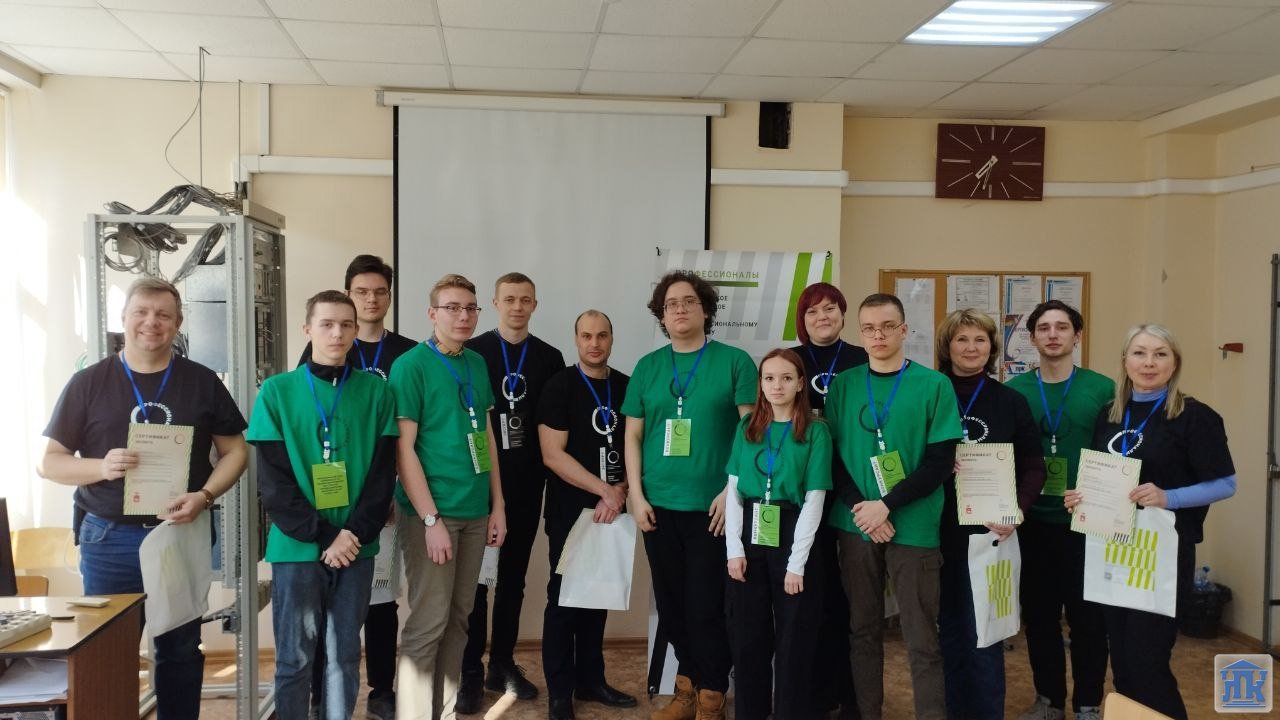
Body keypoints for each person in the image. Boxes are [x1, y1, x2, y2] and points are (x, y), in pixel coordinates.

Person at [38, 276, 249, 720]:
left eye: (163, 315)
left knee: (180, 650)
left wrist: (205, 495)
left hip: (179, 533)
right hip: (109, 538)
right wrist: (101, 467)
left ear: (178, 323)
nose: (152, 322)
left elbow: (236, 452)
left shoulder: (201, 381)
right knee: (107, 653)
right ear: (125, 318)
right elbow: (50, 463)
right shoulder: (89, 383)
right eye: (142, 312)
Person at [1065, 324, 1236, 720]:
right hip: (1113, 554)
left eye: (1160, 354)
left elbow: (1226, 484)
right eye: (1139, 353)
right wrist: (1082, 498)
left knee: (1148, 663)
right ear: (1125, 361)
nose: (1149, 363)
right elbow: (1105, 477)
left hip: (1161, 557)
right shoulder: (1111, 414)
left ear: (1175, 363)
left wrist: (1168, 497)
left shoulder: (1194, 416)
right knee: (1124, 665)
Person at [247, 290, 398, 720]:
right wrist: (328, 536)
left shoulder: (377, 392)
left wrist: (352, 535)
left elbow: (381, 476)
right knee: (294, 658)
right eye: (327, 324)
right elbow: (274, 484)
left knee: (344, 655)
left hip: (356, 549)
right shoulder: (276, 392)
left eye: (346, 325)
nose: (337, 333)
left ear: (356, 331)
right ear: (307, 329)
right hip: (297, 548)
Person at [622, 270, 756, 720]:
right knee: (672, 605)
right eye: (670, 304)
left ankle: (712, 695)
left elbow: (750, 433)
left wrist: (730, 491)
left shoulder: (734, 362)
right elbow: (633, 436)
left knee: (705, 607)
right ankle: (689, 686)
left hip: (712, 509)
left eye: (688, 301)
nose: (679, 309)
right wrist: (636, 495)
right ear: (661, 316)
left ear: (705, 309)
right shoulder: (647, 367)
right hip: (658, 508)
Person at [824, 292, 962, 720]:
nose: (878, 335)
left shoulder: (934, 385)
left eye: (887, 327)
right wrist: (864, 509)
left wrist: (885, 506)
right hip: (856, 525)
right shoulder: (844, 385)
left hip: (915, 526)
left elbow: (940, 462)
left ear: (904, 330)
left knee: (921, 637)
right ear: (860, 333)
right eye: (869, 328)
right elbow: (831, 458)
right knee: (862, 630)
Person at [299, 254, 416, 720]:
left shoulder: (407, 353)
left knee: (382, 598)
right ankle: (320, 693)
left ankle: (382, 690)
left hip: (386, 498)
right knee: (324, 604)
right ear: (348, 295)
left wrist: (386, 495)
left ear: (389, 297)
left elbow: (410, 434)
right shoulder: (322, 350)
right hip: (328, 506)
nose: (371, 300)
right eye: (361, 292)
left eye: (380, 292)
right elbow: (307, 430)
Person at [391, 274, 508, 720]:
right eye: (452, 308)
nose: (463, 316)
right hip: (433, 514)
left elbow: (486, 437)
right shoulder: (411, 366)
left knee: (460, 618)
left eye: (471, 308)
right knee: (429, 622)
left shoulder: (476, 362)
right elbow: (403, 450)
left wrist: (498, 505)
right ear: (432, 314)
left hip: (475, 511)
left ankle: (442, 710)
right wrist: (429, 519)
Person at [460, 272, 565, 710]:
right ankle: (469, 670)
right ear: (495, 303)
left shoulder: (549, 357)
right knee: (475, 582)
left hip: (527, 485)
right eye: (509, 299)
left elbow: (556, 425)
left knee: (512, 580)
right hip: (478, 484)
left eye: (525, 300)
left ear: (534, 305)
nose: (518, 307)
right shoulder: (473, 352)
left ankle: (500, 664)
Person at [934, 309, 1045, 720]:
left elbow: (1034, 466)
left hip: (991, 534)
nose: (971, 348)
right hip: (935, 532)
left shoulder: (1010, 401)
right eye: (962, 339)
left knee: (986, 633)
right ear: (947, 346)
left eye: (980, 339)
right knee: (948, 631)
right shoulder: (930, 392)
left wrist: (1016, 510)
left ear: (992, 347)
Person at [1005, 300, 1114, 720]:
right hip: (1032, 522)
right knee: (1039, 620)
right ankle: (1048, 700)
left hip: (1087, 524)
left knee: (1089, 622)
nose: (1053, 334)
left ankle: (1088, 703)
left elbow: (1117, 453)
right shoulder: (1015, 391)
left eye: (1062, 327)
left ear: (1077, 336)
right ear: (1032, 338)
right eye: (1044, 328)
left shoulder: (1103, 389)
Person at [537, 310, 638, 720]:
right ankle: (560, 692)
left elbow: (637, 449)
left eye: (602, 336)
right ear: (576, 339)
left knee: (599, 598)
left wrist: (620, 492)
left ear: (612, 339)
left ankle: (592, 681)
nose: (594, 343)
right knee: (564, 601)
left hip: (613, 510)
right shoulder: (559, 386)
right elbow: (552, 454)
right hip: (570, 511)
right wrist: (604, 490)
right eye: (586, 336)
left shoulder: (627, 386)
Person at [724, 348, 831, 720]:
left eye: (786, 378)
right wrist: (734, 550)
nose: (777, 385)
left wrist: (796, 564)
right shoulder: (747, 427)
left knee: (793, 639)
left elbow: (815, 498)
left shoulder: (815, 431)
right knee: (748, 638)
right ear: (760, 384)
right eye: (769, 378)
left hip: (794, 533)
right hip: (750, 530)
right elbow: (733, 491)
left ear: (800, 383)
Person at [789, 281, 868, 720]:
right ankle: (817, 693)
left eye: (830, 309)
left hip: (856, 490)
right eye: (813, 311)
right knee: (814, 595)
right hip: (806, 492)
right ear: (802, 320)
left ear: (842, 314)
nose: (822, 317)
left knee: (853, 598)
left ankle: (853, 695)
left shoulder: (863, 359)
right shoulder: (790, 362)